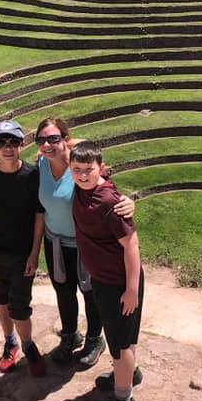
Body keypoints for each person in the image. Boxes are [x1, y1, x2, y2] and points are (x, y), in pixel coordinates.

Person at [35, 117, 134, 367]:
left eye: (54, 139)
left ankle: (94, 339)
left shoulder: (79, 165)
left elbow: (106, 187)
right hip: (54, 241)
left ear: (65, 140)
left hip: (83, 244)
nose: (48, 144)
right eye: (42, 140)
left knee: (90, 294)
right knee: (63, 292)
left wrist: (127, 202)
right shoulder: (41, 165)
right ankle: (69, 336)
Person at [70, 140, 144, 401]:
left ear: (100, 168)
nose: (82, 175)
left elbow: (132, 244)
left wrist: (131, 289)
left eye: (88, 170)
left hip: (119, 283)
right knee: (124, 337)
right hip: (104, 279)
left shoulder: (111, 204)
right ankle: (129, 374)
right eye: (77, 170)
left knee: (119, 344)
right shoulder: (82, 185)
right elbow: (69, 146)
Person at [0, 120, 48, 377]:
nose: (8, 147)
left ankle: (28, 345)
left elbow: (39, 216)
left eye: (14, 142)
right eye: (2, 142)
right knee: (0, 299)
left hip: (22, 254)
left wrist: (34, 253)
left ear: (22, 144)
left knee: (20, 305)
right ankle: (10, 342)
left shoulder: (32, 176)